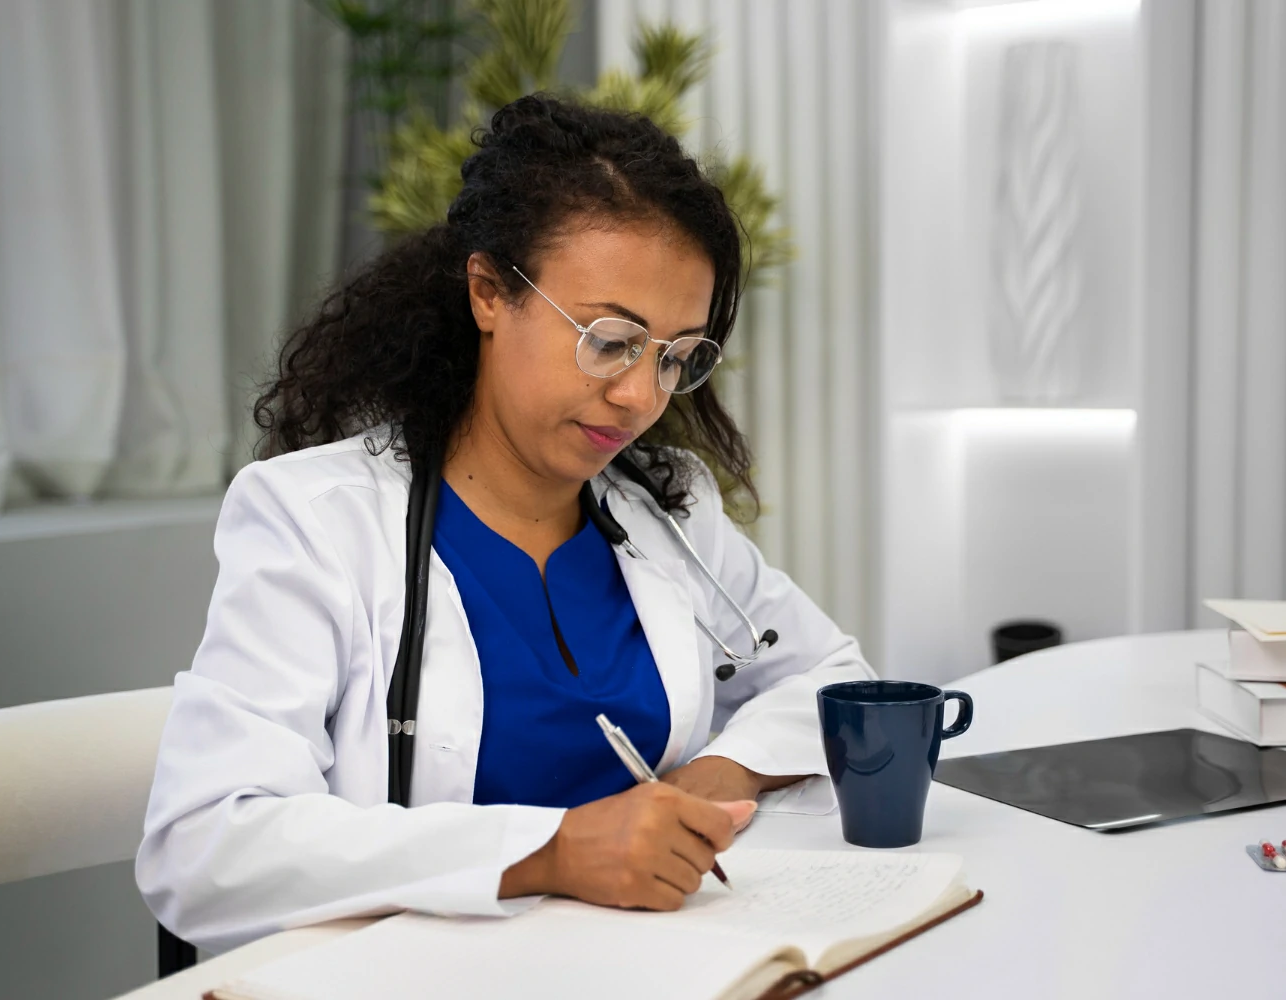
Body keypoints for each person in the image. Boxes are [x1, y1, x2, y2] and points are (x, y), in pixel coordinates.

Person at [136, 95, 874, 954]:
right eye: (608, 340)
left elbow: (836, 679)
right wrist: (550, 852)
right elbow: (202, 847)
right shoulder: (316, 520)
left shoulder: (664, 506)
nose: (641, 396)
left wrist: (713, 778)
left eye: (675, 356)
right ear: (490, 292)